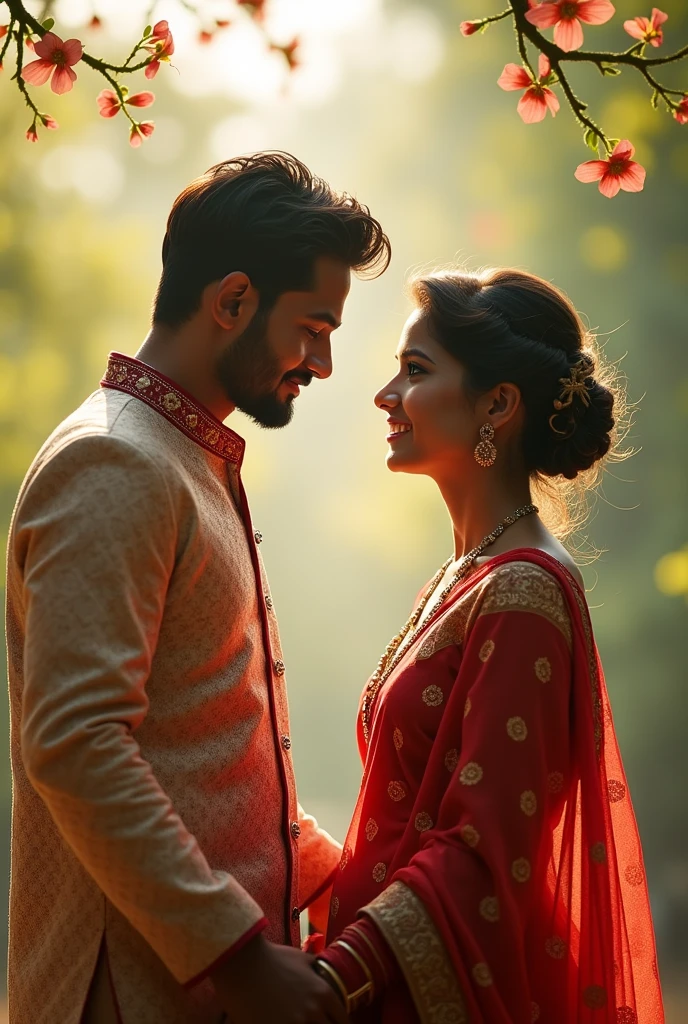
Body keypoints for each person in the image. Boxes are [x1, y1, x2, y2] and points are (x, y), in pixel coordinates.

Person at [5, 151, 390, 1024]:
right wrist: (237, 953)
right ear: (232, 302)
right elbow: (77, 743)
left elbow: (205, 741)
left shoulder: (178, 454)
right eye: (314, 327)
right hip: (128, 992)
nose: (323, 364)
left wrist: (331, 872)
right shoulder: (115, 460)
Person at [311, 268, 665, 1023]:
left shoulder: (525, 595)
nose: (385, 396)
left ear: (498, 405)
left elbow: (481, 849)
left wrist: (331, 982)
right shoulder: (466, 577)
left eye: (416, 371)